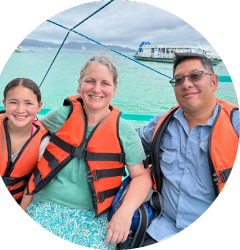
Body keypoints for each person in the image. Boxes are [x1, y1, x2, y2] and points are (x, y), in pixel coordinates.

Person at [23, 55, 153, 249]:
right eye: (90, 81)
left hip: (94, 217)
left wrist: (125, 212)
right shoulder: (61, 115)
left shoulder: (124, 130)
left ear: (114, 89)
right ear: (79, 85)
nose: (96, 89)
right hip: (44, 207)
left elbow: (142, 176)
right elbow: (28, 130)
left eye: (105, 83)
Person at [137, 52, 240, 245]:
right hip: (161, 227)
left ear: (214, 82)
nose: (186, 84)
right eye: (178, 80)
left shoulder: (234, 123)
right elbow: (127, 141)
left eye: (195, 76)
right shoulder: (162, 123)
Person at [0, 78, 50, 208]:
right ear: (4, 104)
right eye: (13, 102)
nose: (20, 109)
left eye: (28, 103)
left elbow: (35, 182)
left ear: (39, 106)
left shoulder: (43, 141)